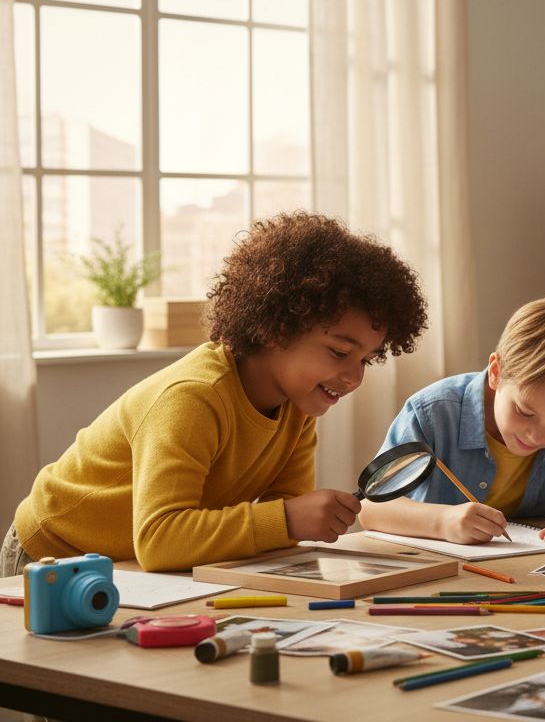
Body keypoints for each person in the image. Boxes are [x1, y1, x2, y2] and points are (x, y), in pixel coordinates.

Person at [2, 213, 428, 574]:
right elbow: (160, 538)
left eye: (367, 360)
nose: (354, 378)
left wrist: (292, 521)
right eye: (339, 352)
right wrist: (287, 519)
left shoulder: (297, 411)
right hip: (50, 555)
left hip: (131, 566)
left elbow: (279, 527)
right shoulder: (192, 398)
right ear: (275, 328)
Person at [360, 297, 545, 544]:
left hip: (532, 576)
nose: (537, 436)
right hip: (442, 576)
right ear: (496, 372)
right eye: (525, 412)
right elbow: (370, 508)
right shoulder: (433, 413)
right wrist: (443, 522)